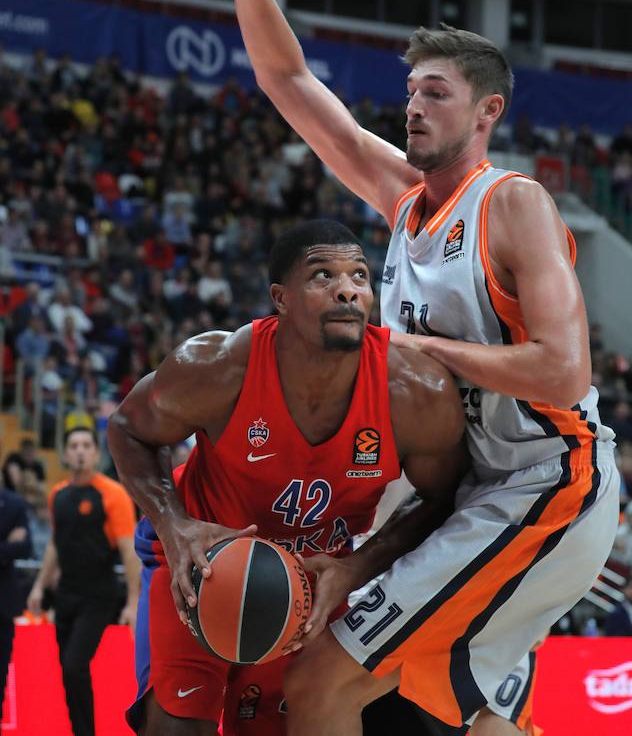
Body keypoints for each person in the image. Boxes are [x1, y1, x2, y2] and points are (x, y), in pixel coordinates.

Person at [209, 0, 620, 735]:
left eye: (436, 93)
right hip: (473, 491)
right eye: (410, 92)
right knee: (460, 720)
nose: (414, 107)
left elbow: (560, 372)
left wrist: (414, 350)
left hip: (548, 483)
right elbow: (290, 84)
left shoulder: (515, 205)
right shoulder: (403, 204)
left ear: (487, 113)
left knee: (321, 685)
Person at [107, 219, 466, 736]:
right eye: (323, 275)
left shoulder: (414, 390)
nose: (347, 287)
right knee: (178, 728)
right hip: (202, 566)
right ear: (281, 298)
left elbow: (441, 498)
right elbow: (128, 428)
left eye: (359, 275)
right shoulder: (218, 365)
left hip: (311, 582)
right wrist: (173, 525)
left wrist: (358, 566)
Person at [27, 427, 139, 736]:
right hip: (66, 595)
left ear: (95, 453)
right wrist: (39, 585)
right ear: (65, 454)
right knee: (69, 671)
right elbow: (53, 544)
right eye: (73, 445)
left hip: (98, 594)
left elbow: (129, 551)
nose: (79, 451)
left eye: (85, 445)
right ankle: (81, 730)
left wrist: (133, 600)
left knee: (75, 665)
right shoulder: (58, 495)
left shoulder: (112, 493)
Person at [0, 445, 32, 722]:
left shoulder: (13, 503)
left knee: (0, 677)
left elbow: (24, 546)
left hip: (3, 605)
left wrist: (13, 545)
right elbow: (14, 544)